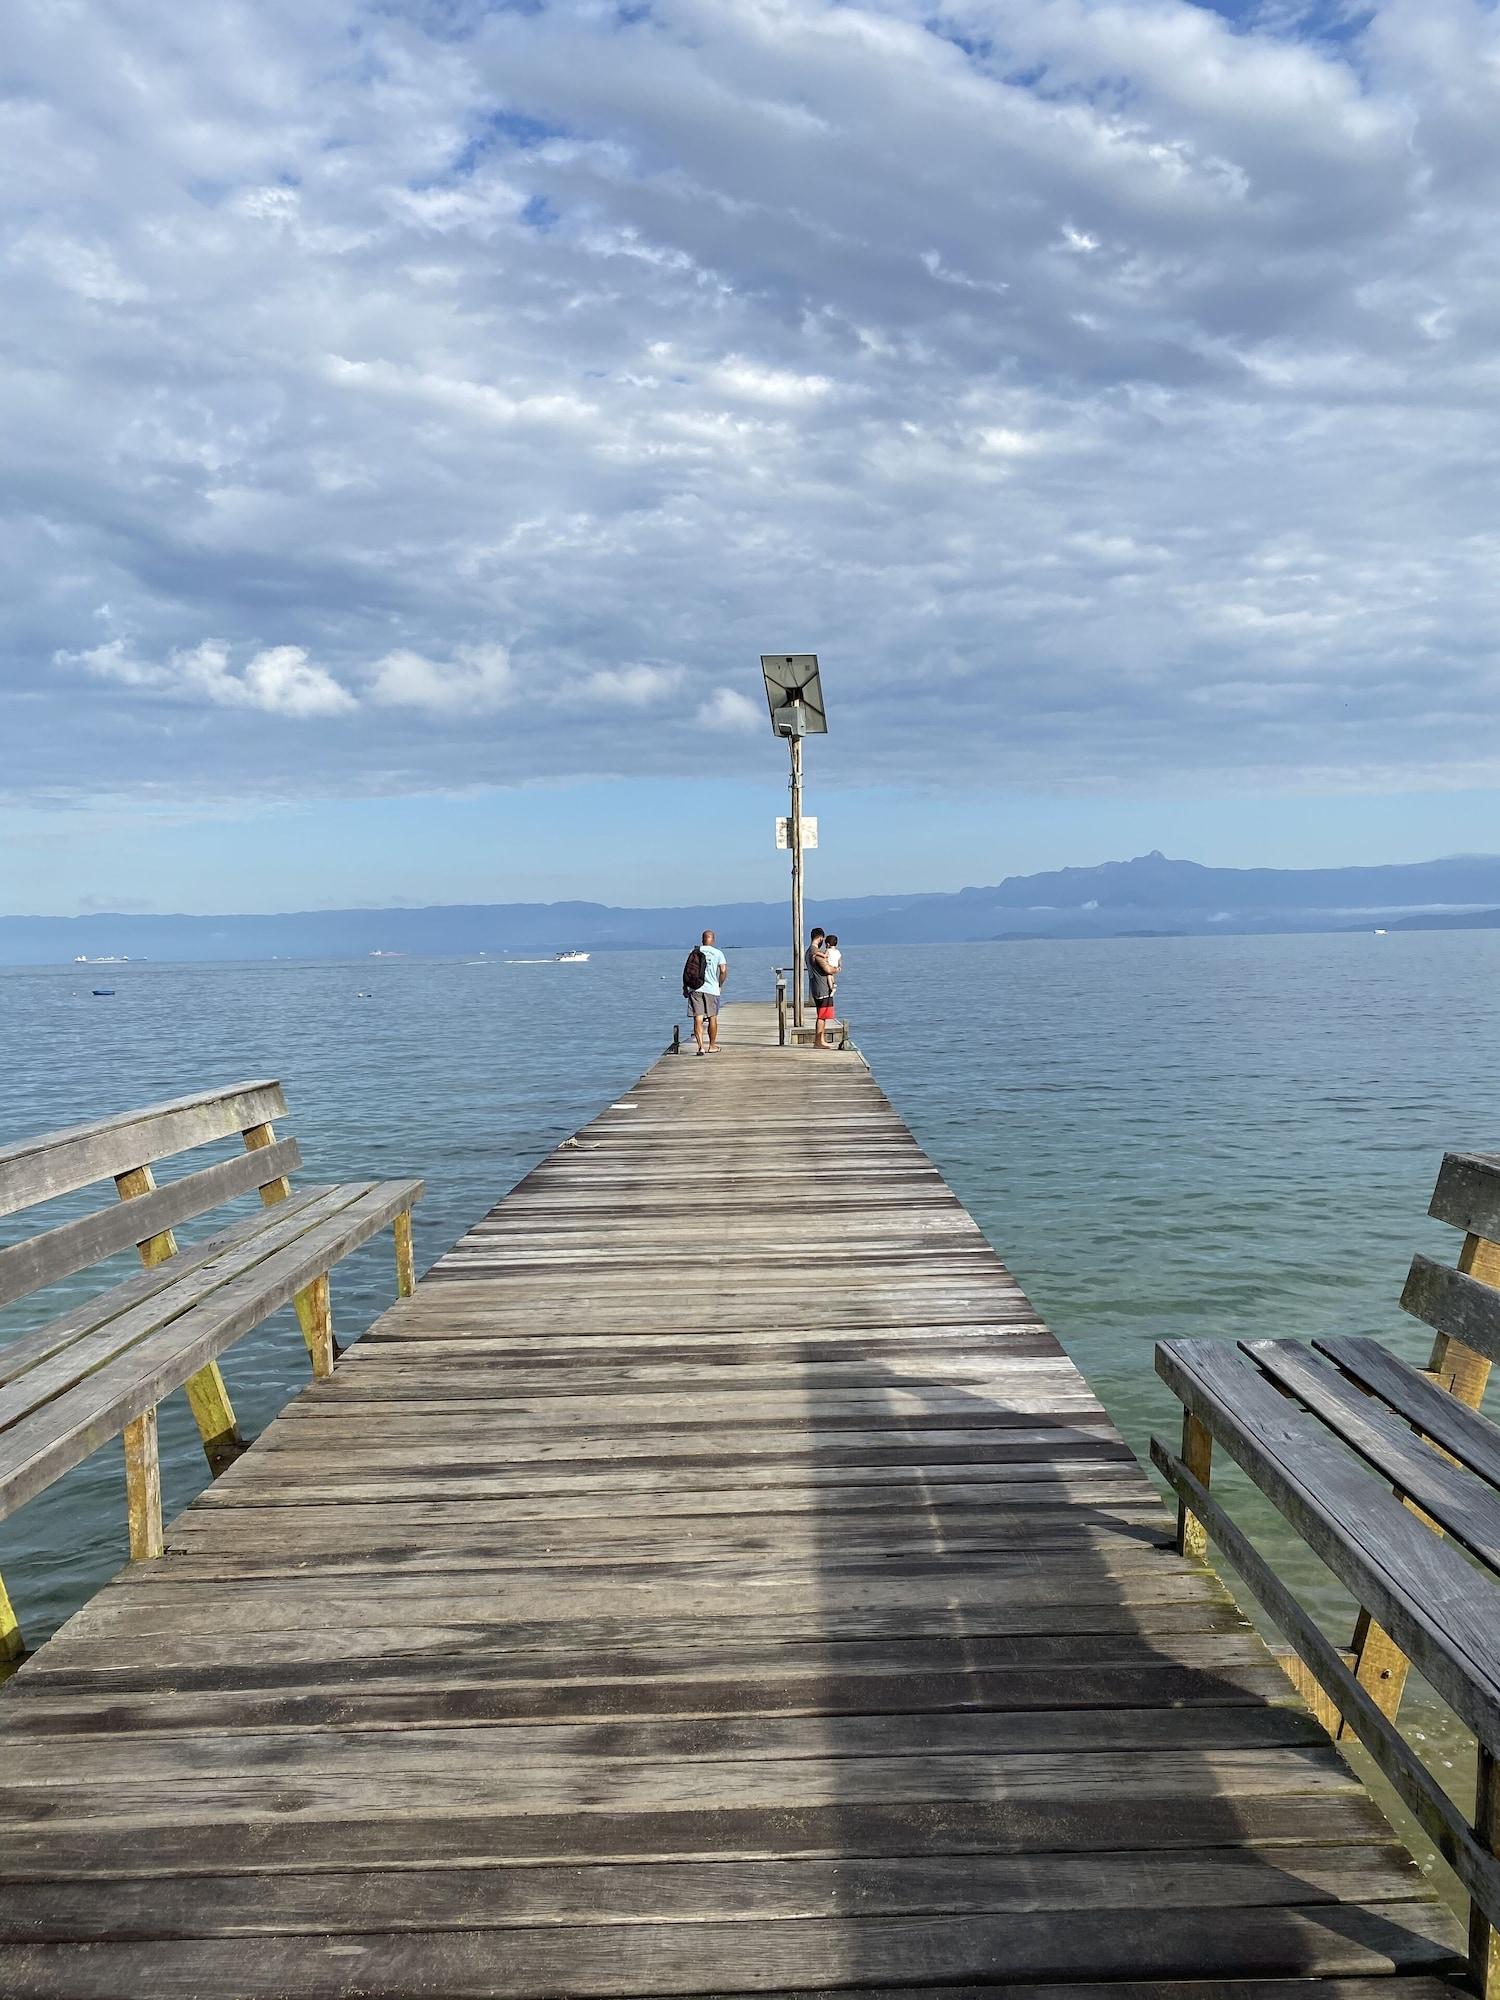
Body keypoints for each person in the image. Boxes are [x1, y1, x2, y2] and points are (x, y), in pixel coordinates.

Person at [684, 927, 728, 1055]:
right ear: (713, 940)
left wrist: (685, 987)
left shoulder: (694, 951)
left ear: (702, 940)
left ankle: (700, 1047)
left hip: (695, 988)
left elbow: (687, 971)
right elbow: (723, 971)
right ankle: (712, 1046)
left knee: (698, 1017)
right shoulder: (718, 953)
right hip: (712, 989)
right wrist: (720, 983)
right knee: (712, 1017)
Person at [807, 926, 836, 1049]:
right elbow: (827, 968)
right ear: (820, 938)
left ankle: (820, 1040)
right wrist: (836, 969)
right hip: (822, 987)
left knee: (822, 1015)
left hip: (815, 986)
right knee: (822, 1015)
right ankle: (818, 1041)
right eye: (822, 939)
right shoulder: (814, 952)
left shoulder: (808, 951)